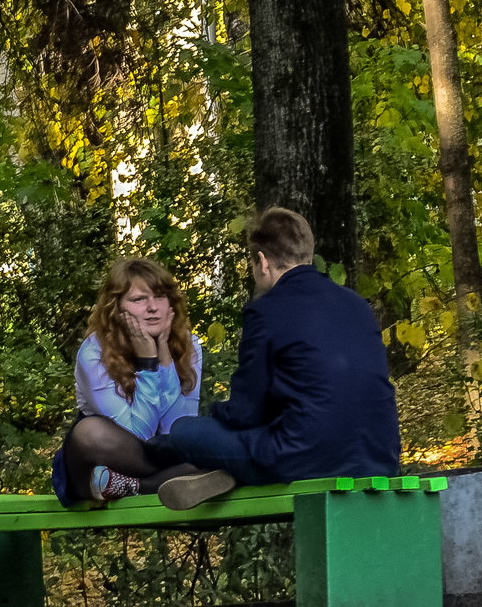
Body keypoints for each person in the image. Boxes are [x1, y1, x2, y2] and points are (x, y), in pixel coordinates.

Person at [150, 207, 401, 510]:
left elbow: (246, 413)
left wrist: (217, 415)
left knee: (184, 431)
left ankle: (235, 472)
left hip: (305, 459)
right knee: (256, 436)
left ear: (262, 262)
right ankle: (231, 472)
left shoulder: (266, 311)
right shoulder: (357, 305)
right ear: (308, 253)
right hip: (379, 458)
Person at [50, 258, 206, 504]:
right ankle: (178, 478)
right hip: (102, 462)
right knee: (88, 432)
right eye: (138, 300)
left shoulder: (190, 345)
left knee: (217, 442)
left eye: (160, 296)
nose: (152, 307)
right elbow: (137, 434)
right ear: (117, 308)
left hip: (161, 457)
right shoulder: (93, 351)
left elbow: (176, 430)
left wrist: (165, 357)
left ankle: (134, 487)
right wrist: (148, 363)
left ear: (171, 304)